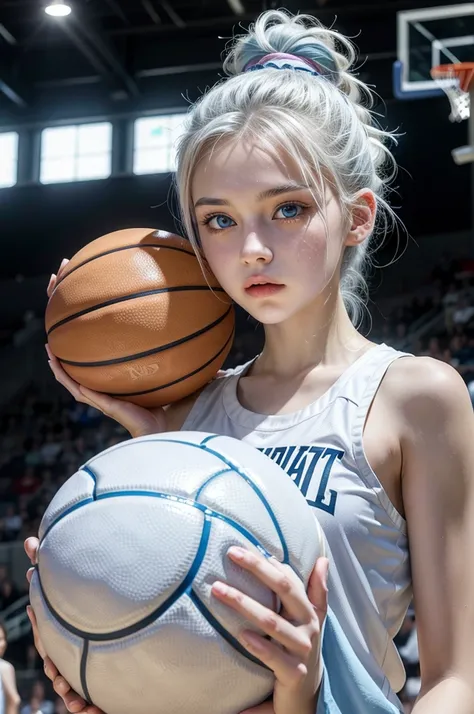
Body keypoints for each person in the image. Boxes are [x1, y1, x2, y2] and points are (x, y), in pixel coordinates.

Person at [25, 9, 474, 714]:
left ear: (356, 216)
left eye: (287, 209)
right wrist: (102, 658)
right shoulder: (183, 419)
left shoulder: (413, 396)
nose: (253, 249)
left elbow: (458, 682)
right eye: (220, 220)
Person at [0, 619, 21, 714]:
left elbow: (13, 701)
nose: (3, 644)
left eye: (3, 639)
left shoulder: (5, 667)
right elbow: (14, 700)